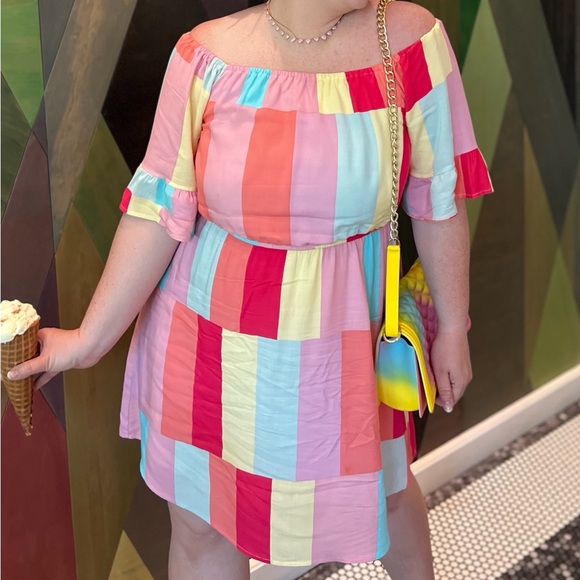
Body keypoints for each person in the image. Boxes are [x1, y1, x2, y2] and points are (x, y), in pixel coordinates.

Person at [9, 0, 492, 578]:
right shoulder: (204, 56)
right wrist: (89, 340)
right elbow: (158, 210)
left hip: (343, 349)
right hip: (204, 348)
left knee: (384, 493)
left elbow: (439, 198)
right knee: (202, 526)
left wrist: (453, 327)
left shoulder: (411, 40)